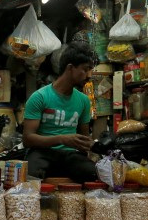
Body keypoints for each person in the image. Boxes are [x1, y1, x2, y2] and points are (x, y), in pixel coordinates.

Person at [22, 41, 98, 183]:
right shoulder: (40, 97)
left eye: (91, 70)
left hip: (70, 155)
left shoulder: (83, 100)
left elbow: (84, 138)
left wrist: (93, 148)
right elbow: (27, 139)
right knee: (30, 176)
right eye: (86, 69)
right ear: (70, 68)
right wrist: (62, 139)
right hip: (42, 152)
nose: (89, 75)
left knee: (93, 174)